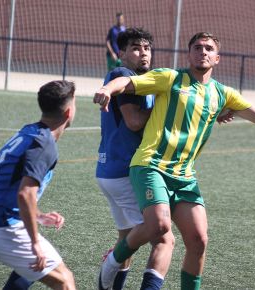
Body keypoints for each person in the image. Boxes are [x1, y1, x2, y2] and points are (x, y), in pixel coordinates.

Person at [94, 32, 255, 290]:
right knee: (158, 226)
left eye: (208, 48)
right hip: (150, 165)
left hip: (184, 176)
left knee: (198, 241)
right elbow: (126, 82)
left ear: (217, 58)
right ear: (189, 54)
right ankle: (113, 261)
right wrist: (107, 88)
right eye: (197, 47)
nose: (202, 51)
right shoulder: (169, 78)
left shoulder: (222, 94)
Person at [0, 80, 77, 290]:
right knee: (65, 281)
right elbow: (25, 194)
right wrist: (34, 243)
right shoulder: (45, 144)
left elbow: (8, 187)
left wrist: (38, 216)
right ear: (69, 112)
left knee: (36, 270)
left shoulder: (30, 131)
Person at [96, 27, 175, 290]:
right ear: (121, 53)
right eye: (135, 48)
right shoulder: (124, 75)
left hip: (108, 170)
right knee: (163, 238)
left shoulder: (141, 80)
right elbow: (133, 122)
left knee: (127, 239)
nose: (143, 53)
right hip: (125, 170)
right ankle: (110, 267)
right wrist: (166, 113)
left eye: (147, 48)